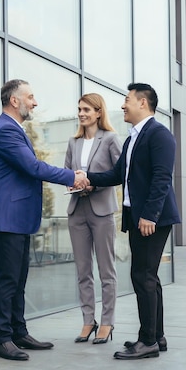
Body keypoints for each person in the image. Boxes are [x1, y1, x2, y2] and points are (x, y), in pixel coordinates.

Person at [0, 79, 90, 361]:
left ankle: (18, 332)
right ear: (14, 101)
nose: (35, 102)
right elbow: (32, 167)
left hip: (15, 218)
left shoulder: (13, 129)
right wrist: (72, 176)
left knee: (17, 281)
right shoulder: (5, 130)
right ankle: (1, 338)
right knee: (7, 281)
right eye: (30, 97)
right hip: (5, 218)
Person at [86, 83, 181, 360]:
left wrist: (149, 215)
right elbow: (117, 175)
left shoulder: (159, 134)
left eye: (126, 100)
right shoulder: (132, 138)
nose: (123, 105)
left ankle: (147, 341)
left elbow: (162, 178)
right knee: (149, 277)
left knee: (142, 276)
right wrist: (86, 177)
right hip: (138, 217)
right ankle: (156, 337)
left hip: (152, 218)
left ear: (142, 103)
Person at [64, 93, 122, 345]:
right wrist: (72, 183)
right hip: (77, 210)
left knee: (106, 271)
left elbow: (119, 174)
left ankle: (107, 322)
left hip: (102, 211)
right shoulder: (73, 141)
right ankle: (88, 320)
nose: (81, 113)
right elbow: (67, 173)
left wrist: (92, 185)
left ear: (99, 112)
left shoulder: (110, 139)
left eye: (86, 109)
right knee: (82, 271)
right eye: (79, 109)